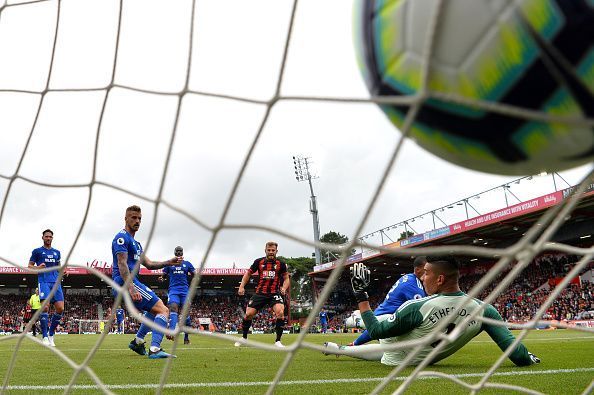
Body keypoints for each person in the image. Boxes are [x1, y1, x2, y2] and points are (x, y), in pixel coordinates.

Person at [323, 258, 541, 367]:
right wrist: (529, 358)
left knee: (383, 339)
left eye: (425, 273)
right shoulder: (486, 310)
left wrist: (361, 296)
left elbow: (378, 330)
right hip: (418, 355)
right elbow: (518, 355)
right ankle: (340, 348)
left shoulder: (418, 307)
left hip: (397, 358)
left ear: (439, 279)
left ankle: (350, 328)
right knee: (387, 346)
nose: (422, 278)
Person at [112, 205, 182, 359]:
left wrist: (168, 262)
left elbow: (149, 264)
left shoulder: (136, 244)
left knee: (154, 311)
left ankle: (137, 341)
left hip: (129, 282)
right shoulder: (121, 237)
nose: (137, 221)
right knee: (163, 310)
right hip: (125, 282)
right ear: (126, 218)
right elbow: (121, 263)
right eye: (133, 217)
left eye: (139, 218)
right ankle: (155, 349)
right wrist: (131, 288)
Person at [349, 256, 427, 346]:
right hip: (385, 319)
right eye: (426, 269)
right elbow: (423, 313)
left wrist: (356, 343)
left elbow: (374, 330)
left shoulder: (408, 278)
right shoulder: (414, 286)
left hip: (380, 317)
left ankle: (358, 324)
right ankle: (357, 321)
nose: (428, 272)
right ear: (417, 270)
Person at [236, 241, 290, 348]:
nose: (271, 252)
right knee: (248, 314)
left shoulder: (281, 264)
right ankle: (244, 338)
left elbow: (286, 278)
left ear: (276, 251)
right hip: (260, 293)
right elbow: (248, 274)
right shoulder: (258, 262)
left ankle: (278, 341)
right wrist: (241, 286)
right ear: (265, 250)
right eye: (269, 250)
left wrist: (284, 288)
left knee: (280, 312)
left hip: (274, 293)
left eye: (273, 250)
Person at [28, 229, 64, 347]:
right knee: (45, 307)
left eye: (50, 237)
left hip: (56, 283)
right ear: (42, 238)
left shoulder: (57, 252)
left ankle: (50, 334)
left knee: (60, 308)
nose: (48, 238)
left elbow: (59, 267)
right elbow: (29, 267)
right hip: (43, 282)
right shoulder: (37, 251)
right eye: (46, 236)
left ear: (52, 238)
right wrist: (38, 267)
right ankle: (44, 336)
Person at [160, 246, 195, 345]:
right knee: (173, 309)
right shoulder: (169, 264)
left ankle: (186, 337)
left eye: (180, 251)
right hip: (173, 291)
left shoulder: (187, 264)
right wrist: (162, 278)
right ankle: (172, 332)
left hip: (185, 291)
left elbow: (194, 274)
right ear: (175, 252)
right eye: (177, 251)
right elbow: (163, 275)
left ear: (182, 253)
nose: (179, 253)